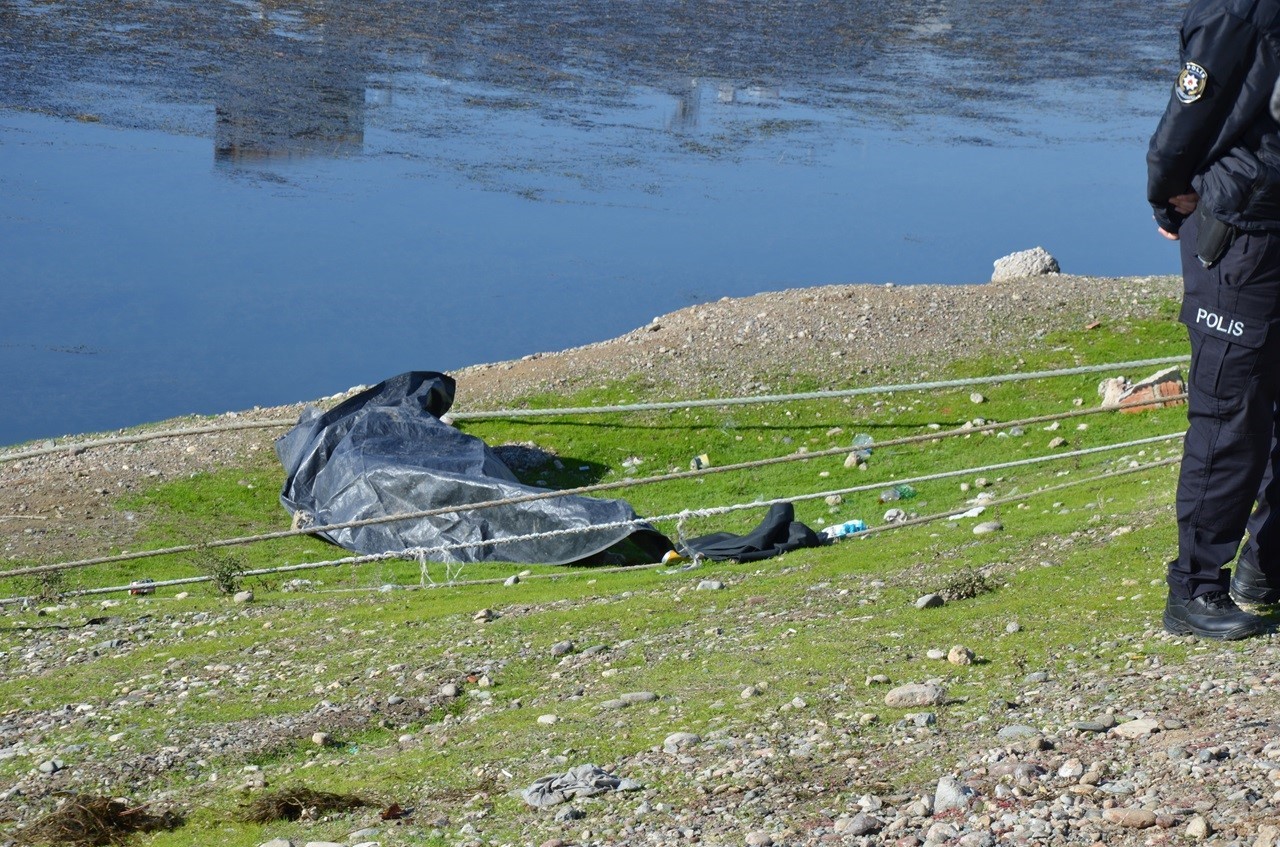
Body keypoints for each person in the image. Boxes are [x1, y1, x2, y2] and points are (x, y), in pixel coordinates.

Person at [1147, 0, 1280, 640]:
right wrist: (1168, 191)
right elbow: (1188, 109)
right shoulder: (1236, 11)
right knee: (1232, 413)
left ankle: (1267, 564)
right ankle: (1196, 588)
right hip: (1243, 233)